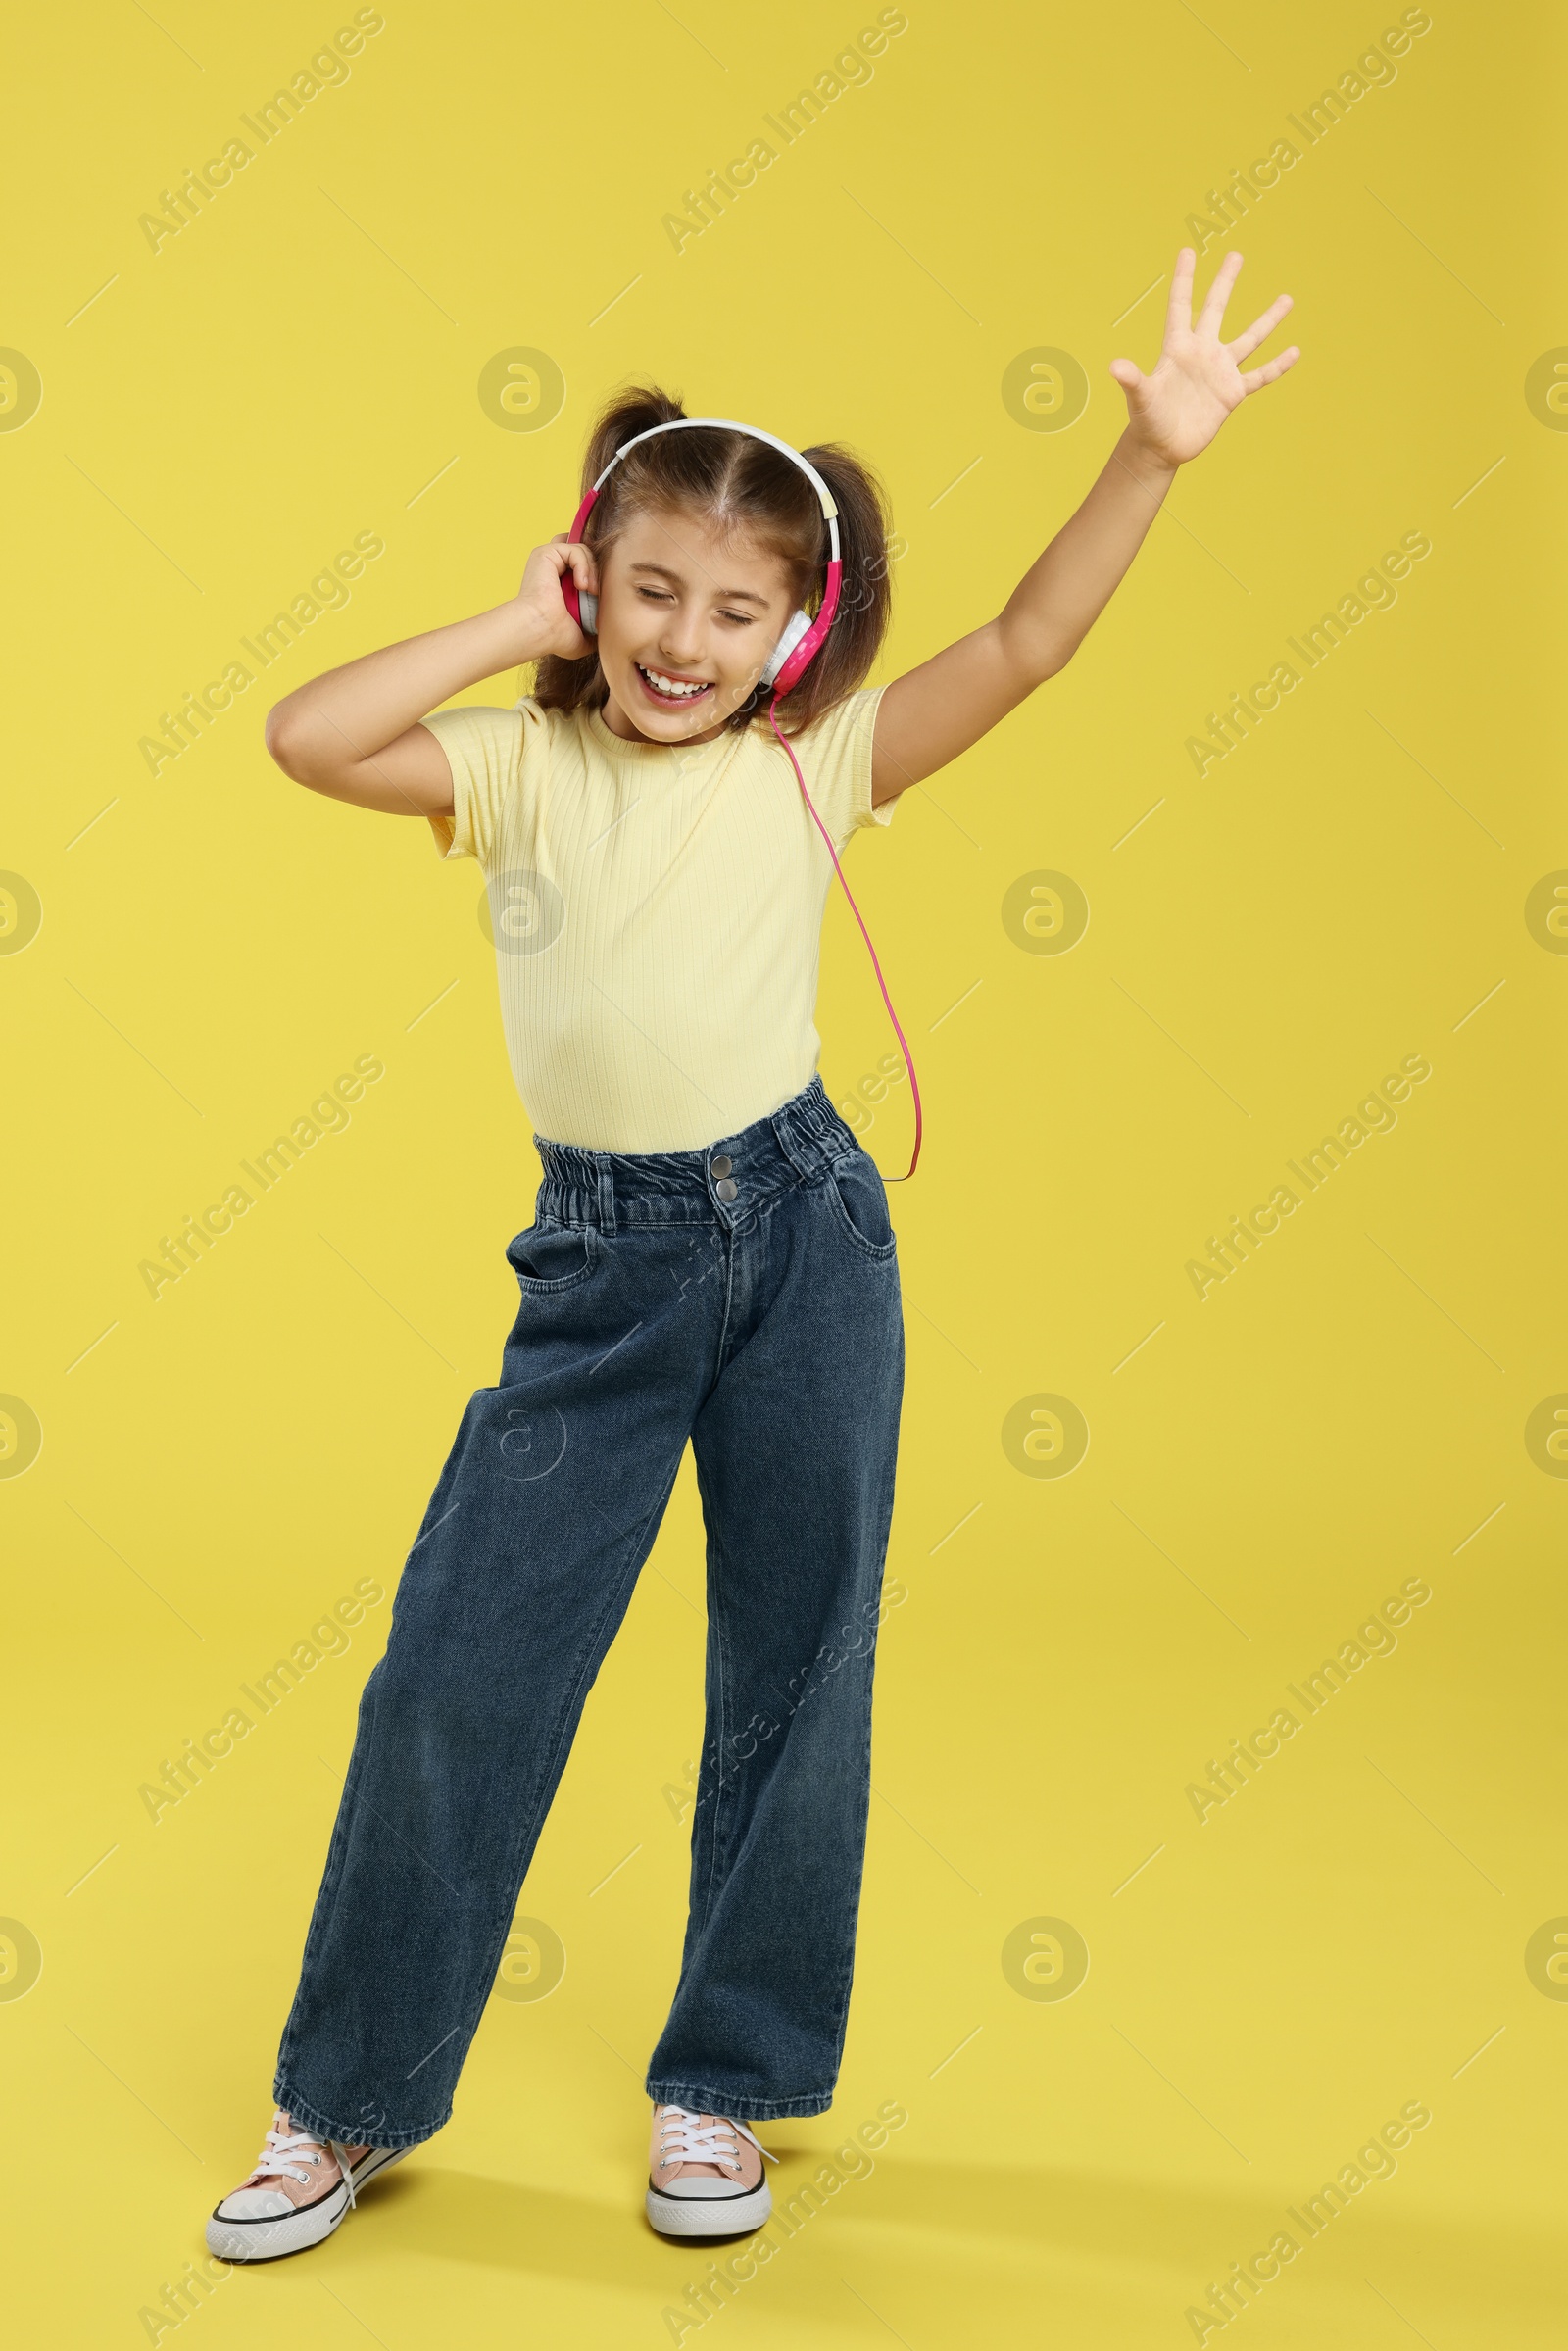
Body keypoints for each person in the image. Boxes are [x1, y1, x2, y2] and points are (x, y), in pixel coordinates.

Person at [207, 247, 1298, 2263]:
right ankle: (342, 2101)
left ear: (796, 636)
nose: (680, 641)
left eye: (732, 611)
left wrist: (1153, 457)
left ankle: (716, 2088)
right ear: (586, 586)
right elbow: (301, 733)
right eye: (643, 592)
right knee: (460, 1669)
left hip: (803, 1235)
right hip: (601, 1268)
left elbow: (1034, 641)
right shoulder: (521, 774)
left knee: (797, 1661)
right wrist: (495, 617)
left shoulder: (820, 766)